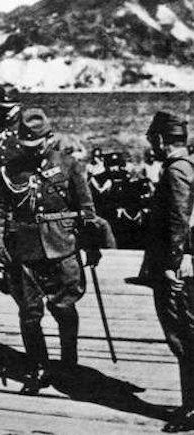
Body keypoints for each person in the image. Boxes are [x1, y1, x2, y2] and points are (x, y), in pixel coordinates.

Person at [0, 108, 101, 395]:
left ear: (49, 139)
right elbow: (1, 213)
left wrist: (92, 245)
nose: (32, 150)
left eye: (37, 144)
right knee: (29, 313)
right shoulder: (8, 171)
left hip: (63, 246)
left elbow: (86, 209)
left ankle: (69, 365)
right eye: (26, 144)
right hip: (24, 248)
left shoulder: (68, 165)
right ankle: (37, 367)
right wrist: (0, 250)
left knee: (64, 307)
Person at [144, 111, 194, 433]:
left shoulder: (176, 172)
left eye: (153, 141)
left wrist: (174, 264)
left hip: (177, 268)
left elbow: (179, 219)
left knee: (183, 336)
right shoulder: (188, 166)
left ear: (161, 140)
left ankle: (191, 408)